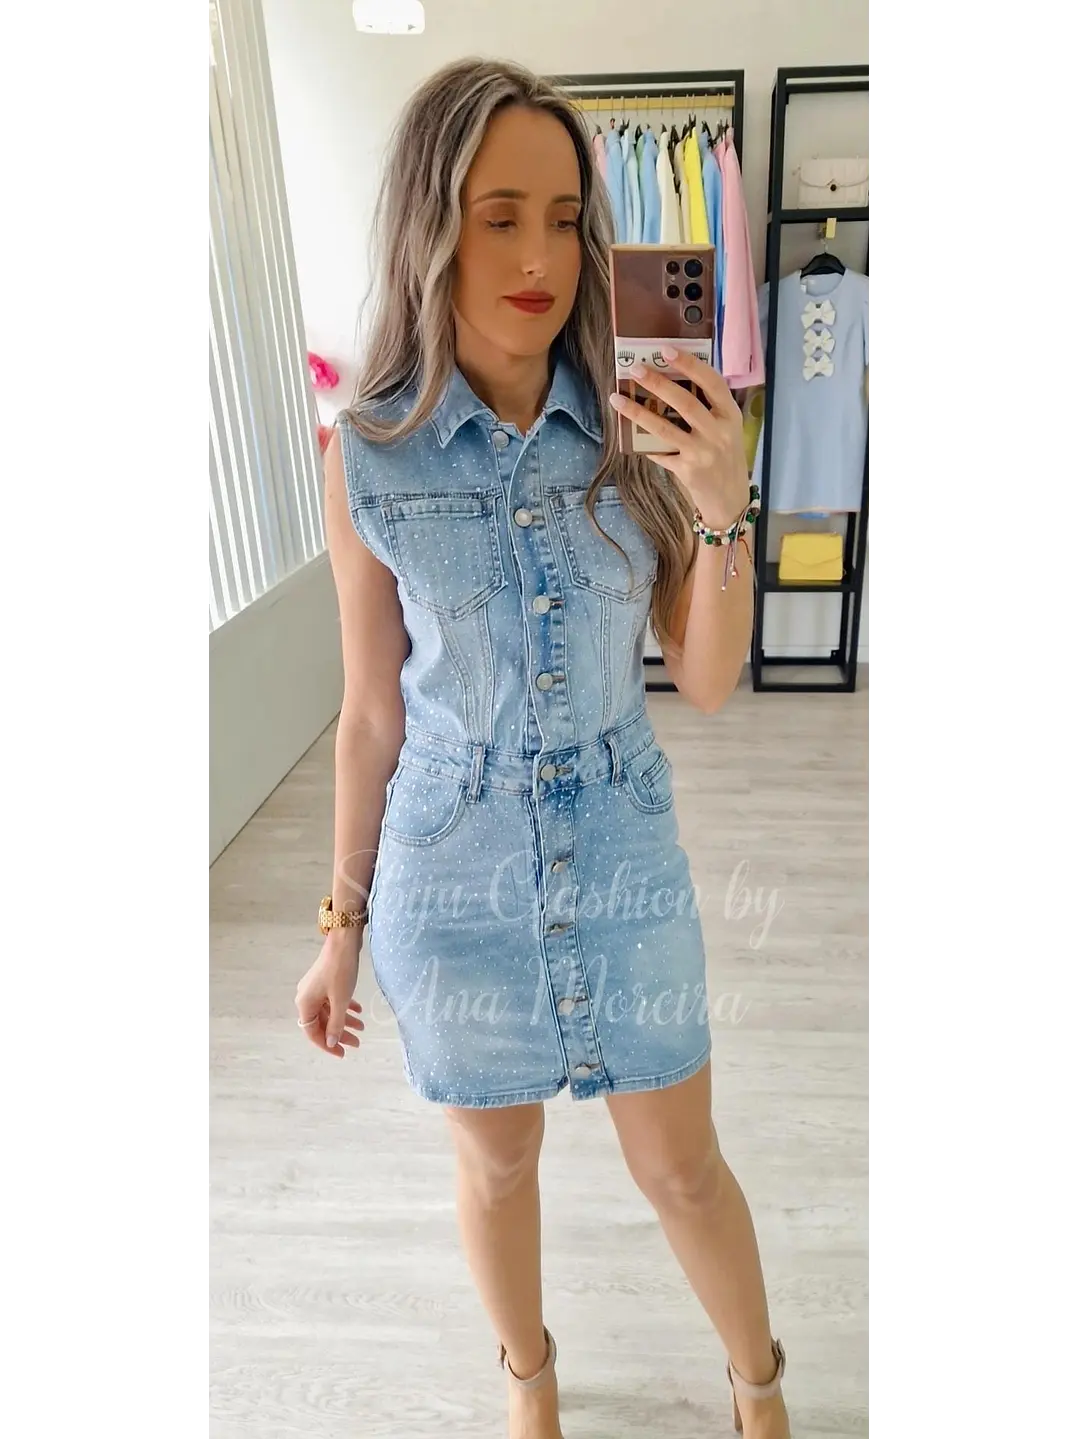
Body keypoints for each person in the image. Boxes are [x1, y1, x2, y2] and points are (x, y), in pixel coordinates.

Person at [294, 57, 791, 1439]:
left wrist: (723, 505)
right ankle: (530, 1384)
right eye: (498, 216)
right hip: (451, 880)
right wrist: (340, 926)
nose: (540, 259)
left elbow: (705, 681)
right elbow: (372, 713)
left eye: (566, 219)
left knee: (680, 1167)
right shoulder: (368, 456)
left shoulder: (640, 430)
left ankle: (759, 1386)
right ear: (430, 229)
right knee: (497, 1167)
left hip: (625, 863)